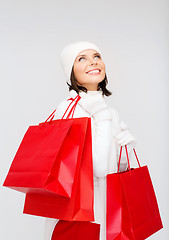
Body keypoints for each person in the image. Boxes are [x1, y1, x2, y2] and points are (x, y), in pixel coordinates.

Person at [43, 41, 136, 240]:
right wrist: (102, 118)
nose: (93, 62)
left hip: (106, 208)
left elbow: (113, 171)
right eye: (82, 58)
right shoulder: (69, 108)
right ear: (71, 71)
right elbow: (98, 168)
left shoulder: (111, 111)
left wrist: (124, 150)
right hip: (81, 212)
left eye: (97, 56)